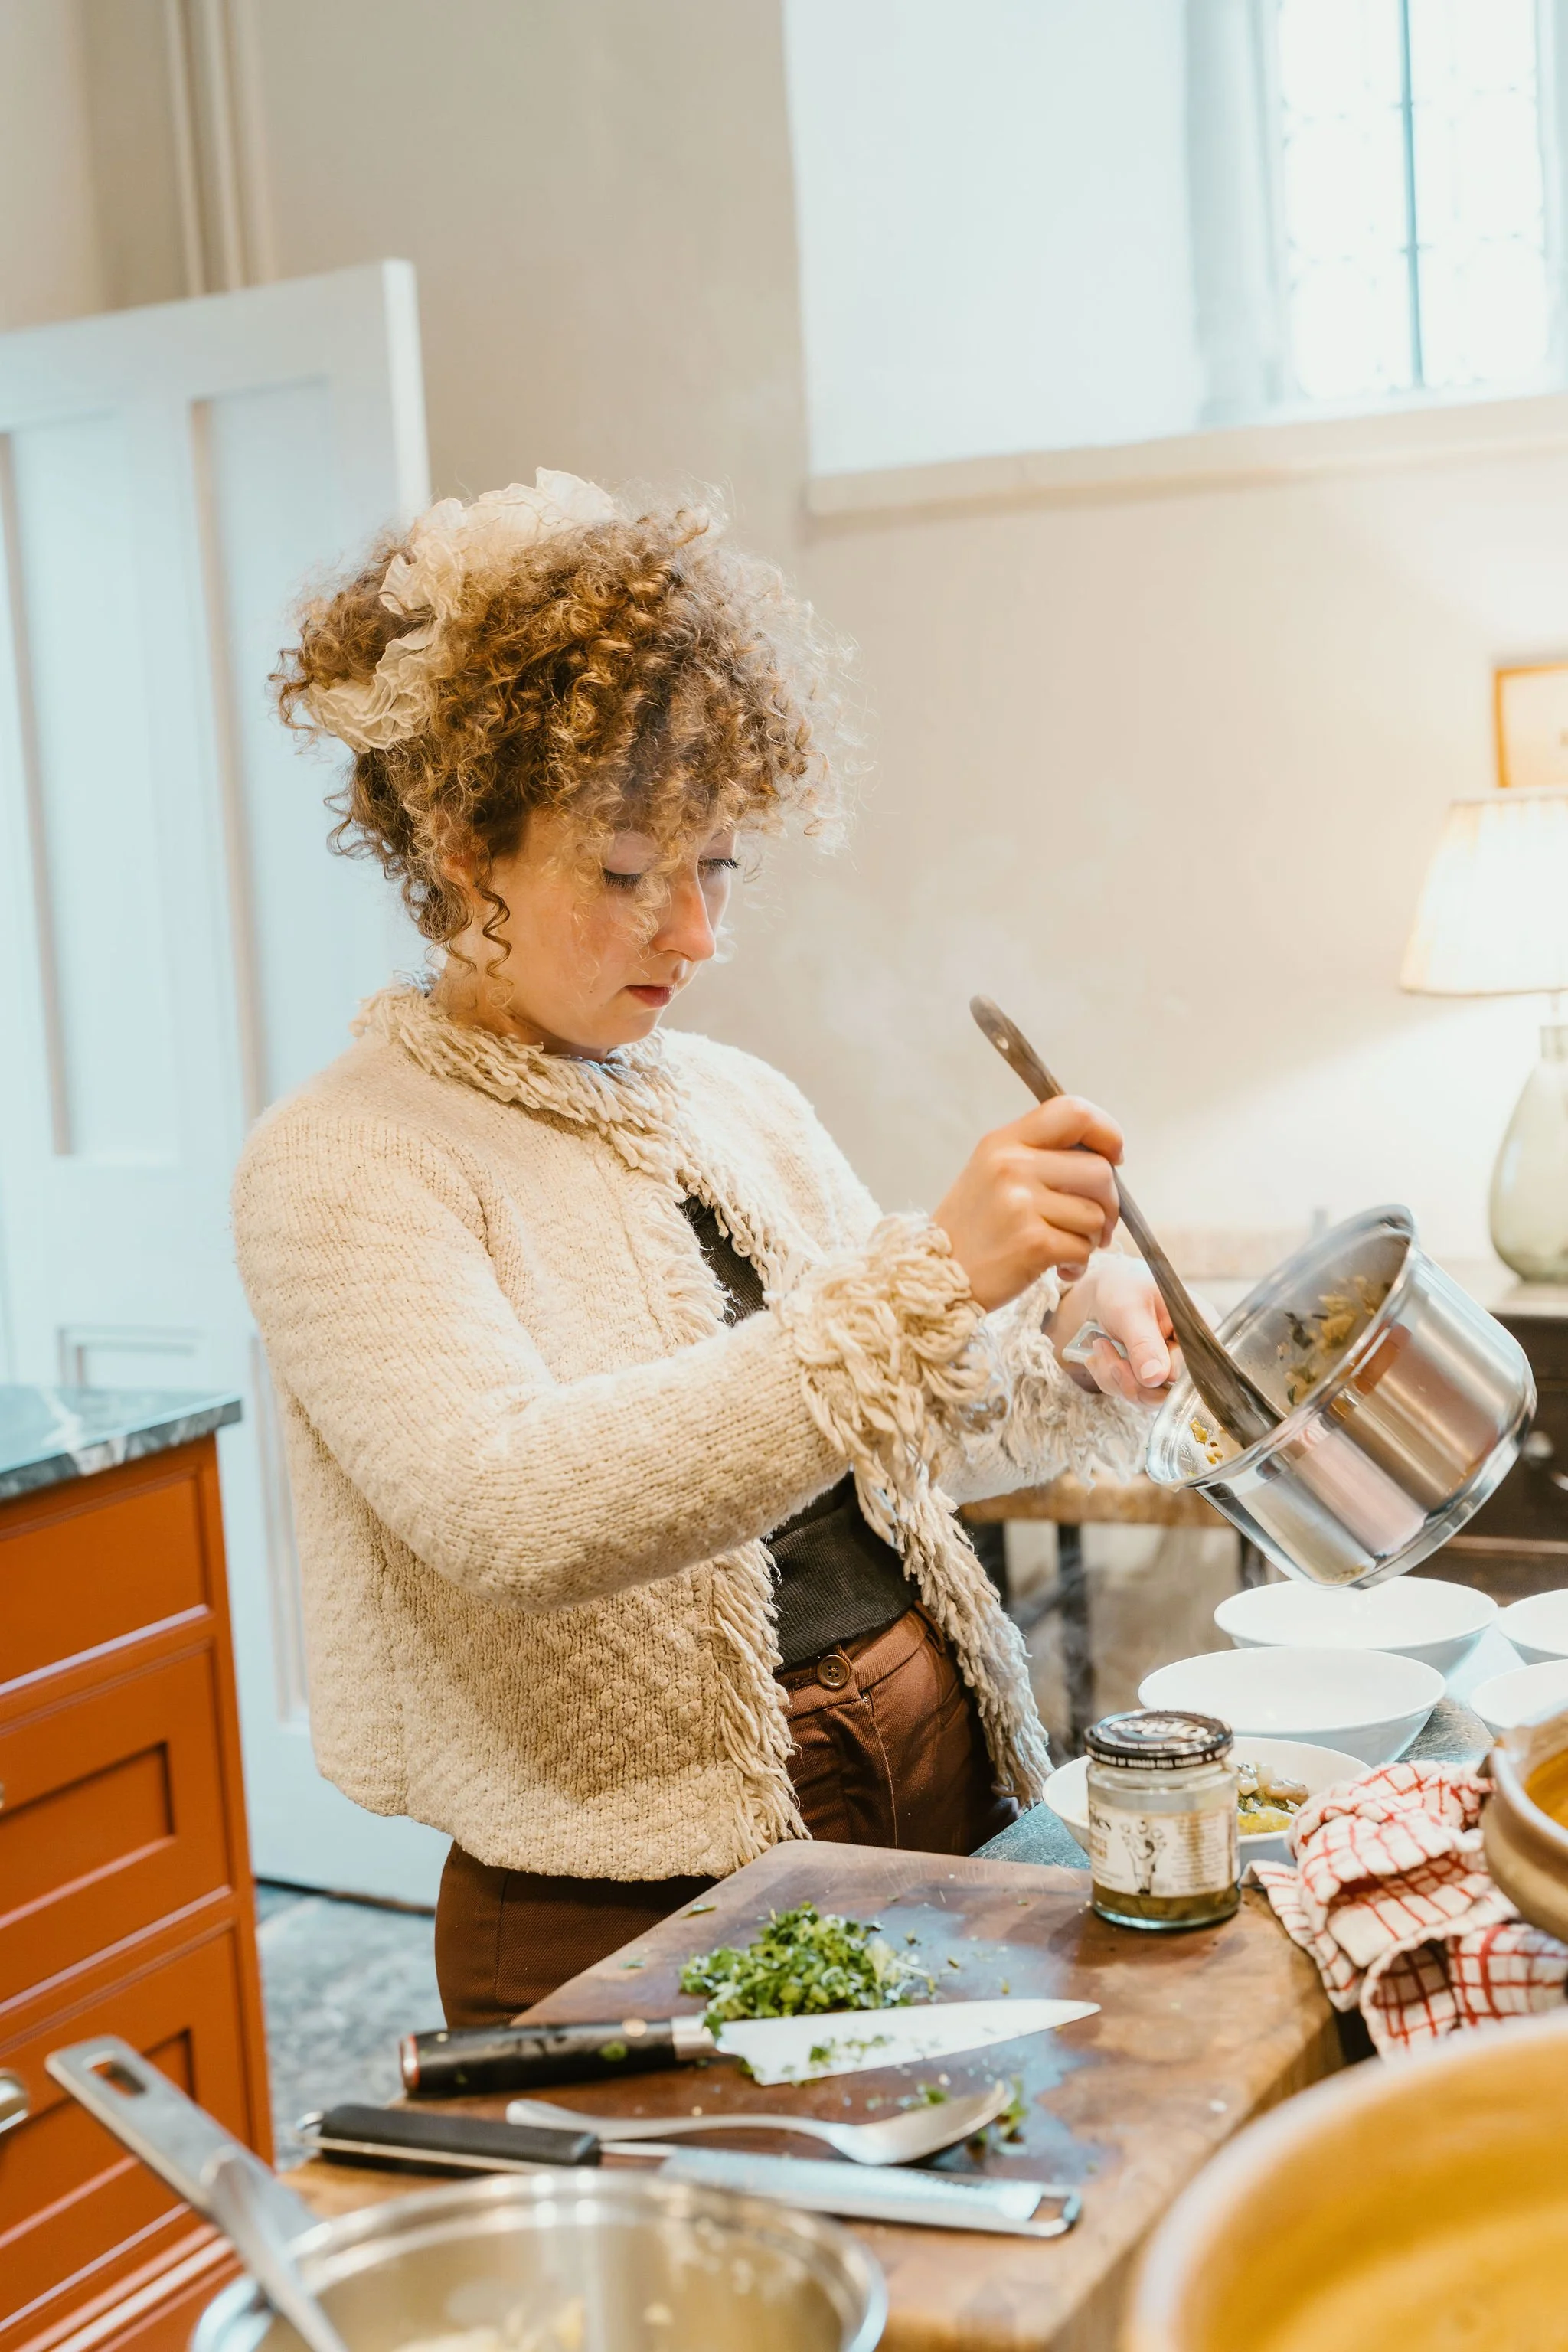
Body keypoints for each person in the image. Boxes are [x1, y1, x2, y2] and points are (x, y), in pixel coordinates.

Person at [234, 472, 1178, 2027]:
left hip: (939, 1803)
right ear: (465, 854)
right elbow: (512, 1511)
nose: (696, 933)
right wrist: (933, 1277)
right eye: (625, 873)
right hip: (621, 1914)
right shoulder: (343, 1161)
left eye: (717, 863)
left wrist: (1069, 1340)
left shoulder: (735, 1099)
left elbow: (902, 1433)